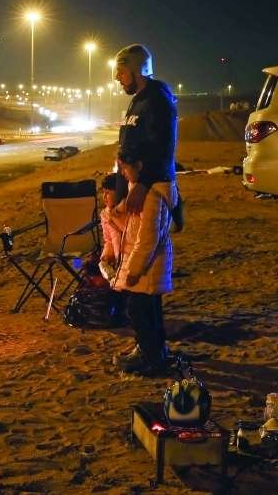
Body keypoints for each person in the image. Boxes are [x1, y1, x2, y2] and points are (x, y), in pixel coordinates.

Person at [111, 146, 176, 375]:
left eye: (125, 168)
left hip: (148, 268)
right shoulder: (137, 192)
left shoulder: (153, 196)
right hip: (145, 265)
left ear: (139, 166)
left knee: (140, 312)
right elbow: (131, 230)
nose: (122, 173)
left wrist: (135, 269)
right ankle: (155, 353)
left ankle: (150, 357)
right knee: (149, 312)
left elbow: (147, 238)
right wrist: (116, 214)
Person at [113, 44, 181, 231]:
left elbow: (163, 148)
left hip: (149, 192)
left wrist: (142, 185)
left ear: (137, 71)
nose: (117, 77)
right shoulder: (138, 100)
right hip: (134, 188)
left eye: (121, 71)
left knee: (147, 252)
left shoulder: (157, 100)